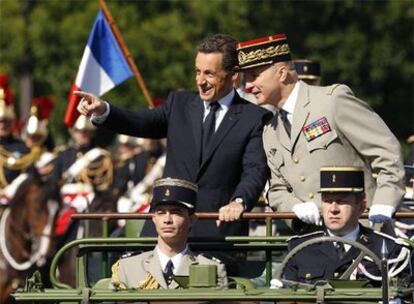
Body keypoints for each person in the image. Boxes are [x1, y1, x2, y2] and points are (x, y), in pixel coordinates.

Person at [76, 34, 271, 237]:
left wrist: (239, 202)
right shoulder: (179, 104)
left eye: (209, 74)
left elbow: (254, 170)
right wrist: (102, 110)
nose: (200, 81)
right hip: (164, 231)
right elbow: (140, 121)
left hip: (217, 232)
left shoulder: (253, 118)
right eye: (197, 72)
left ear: (233, 76)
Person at [236, 33, 405, 228]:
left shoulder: (332, 101)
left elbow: (386, 150)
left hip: (362, 234)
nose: (248, 87)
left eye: (254, 76)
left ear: (282, 73)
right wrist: (293, 208)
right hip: (311, 243)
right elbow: (276, 189)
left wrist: (384, 201)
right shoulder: (270, 130)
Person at [283, 166, 411, 285]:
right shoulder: (301, 249)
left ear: (361, 206)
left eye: (341, 201)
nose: (333, 209)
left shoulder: (387, 248)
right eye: (327, 201)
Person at [111, 177, 228, 289]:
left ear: (191, 219)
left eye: (175, 212)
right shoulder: (128, 267)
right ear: (154, 218)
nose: (167, 220)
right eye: (161, 212)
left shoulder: (212, 268)